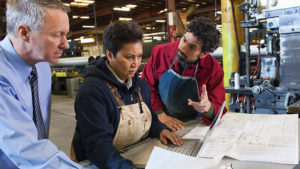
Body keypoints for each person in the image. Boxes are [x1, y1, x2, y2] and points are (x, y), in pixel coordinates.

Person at [72, 21, 183, 169]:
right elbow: (98, 146)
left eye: (139, 56)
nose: (136, 63)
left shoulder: (141, 86)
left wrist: (160, 129)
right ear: (110, 55)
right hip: (96, 162)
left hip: (129, 155)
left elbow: (151, 120)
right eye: (129, 57)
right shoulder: (92, 91)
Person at [0, 0, 82, 168]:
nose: (65, 44)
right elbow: (26, 150)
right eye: (56, 35)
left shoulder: (42, 64)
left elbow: (39, 143)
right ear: (24, 32)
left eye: (65, 34)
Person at [142, 17, 226, 131]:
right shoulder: (160, 53)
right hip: (160, 118)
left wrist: (208, 108)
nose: (182, 48)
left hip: (194, 124)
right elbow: (146, 86)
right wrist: (160, 114)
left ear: (204, 54)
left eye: (192, 47)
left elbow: (218, 107)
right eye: (184, 40)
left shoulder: (213, 69)